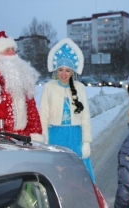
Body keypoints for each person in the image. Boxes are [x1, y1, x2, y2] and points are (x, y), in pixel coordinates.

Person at [39, 38, 96, 182]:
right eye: (60, 70)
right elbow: (43, 115)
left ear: (73, 72)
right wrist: (44, 138)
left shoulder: (80, 88)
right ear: (56, 70)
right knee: (56, 173)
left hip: (75, 136)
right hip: (55, 136)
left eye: (67, 70)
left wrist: (86, 142)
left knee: (78, 174)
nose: (63, 74)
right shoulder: (49, 87)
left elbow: (85, 116)